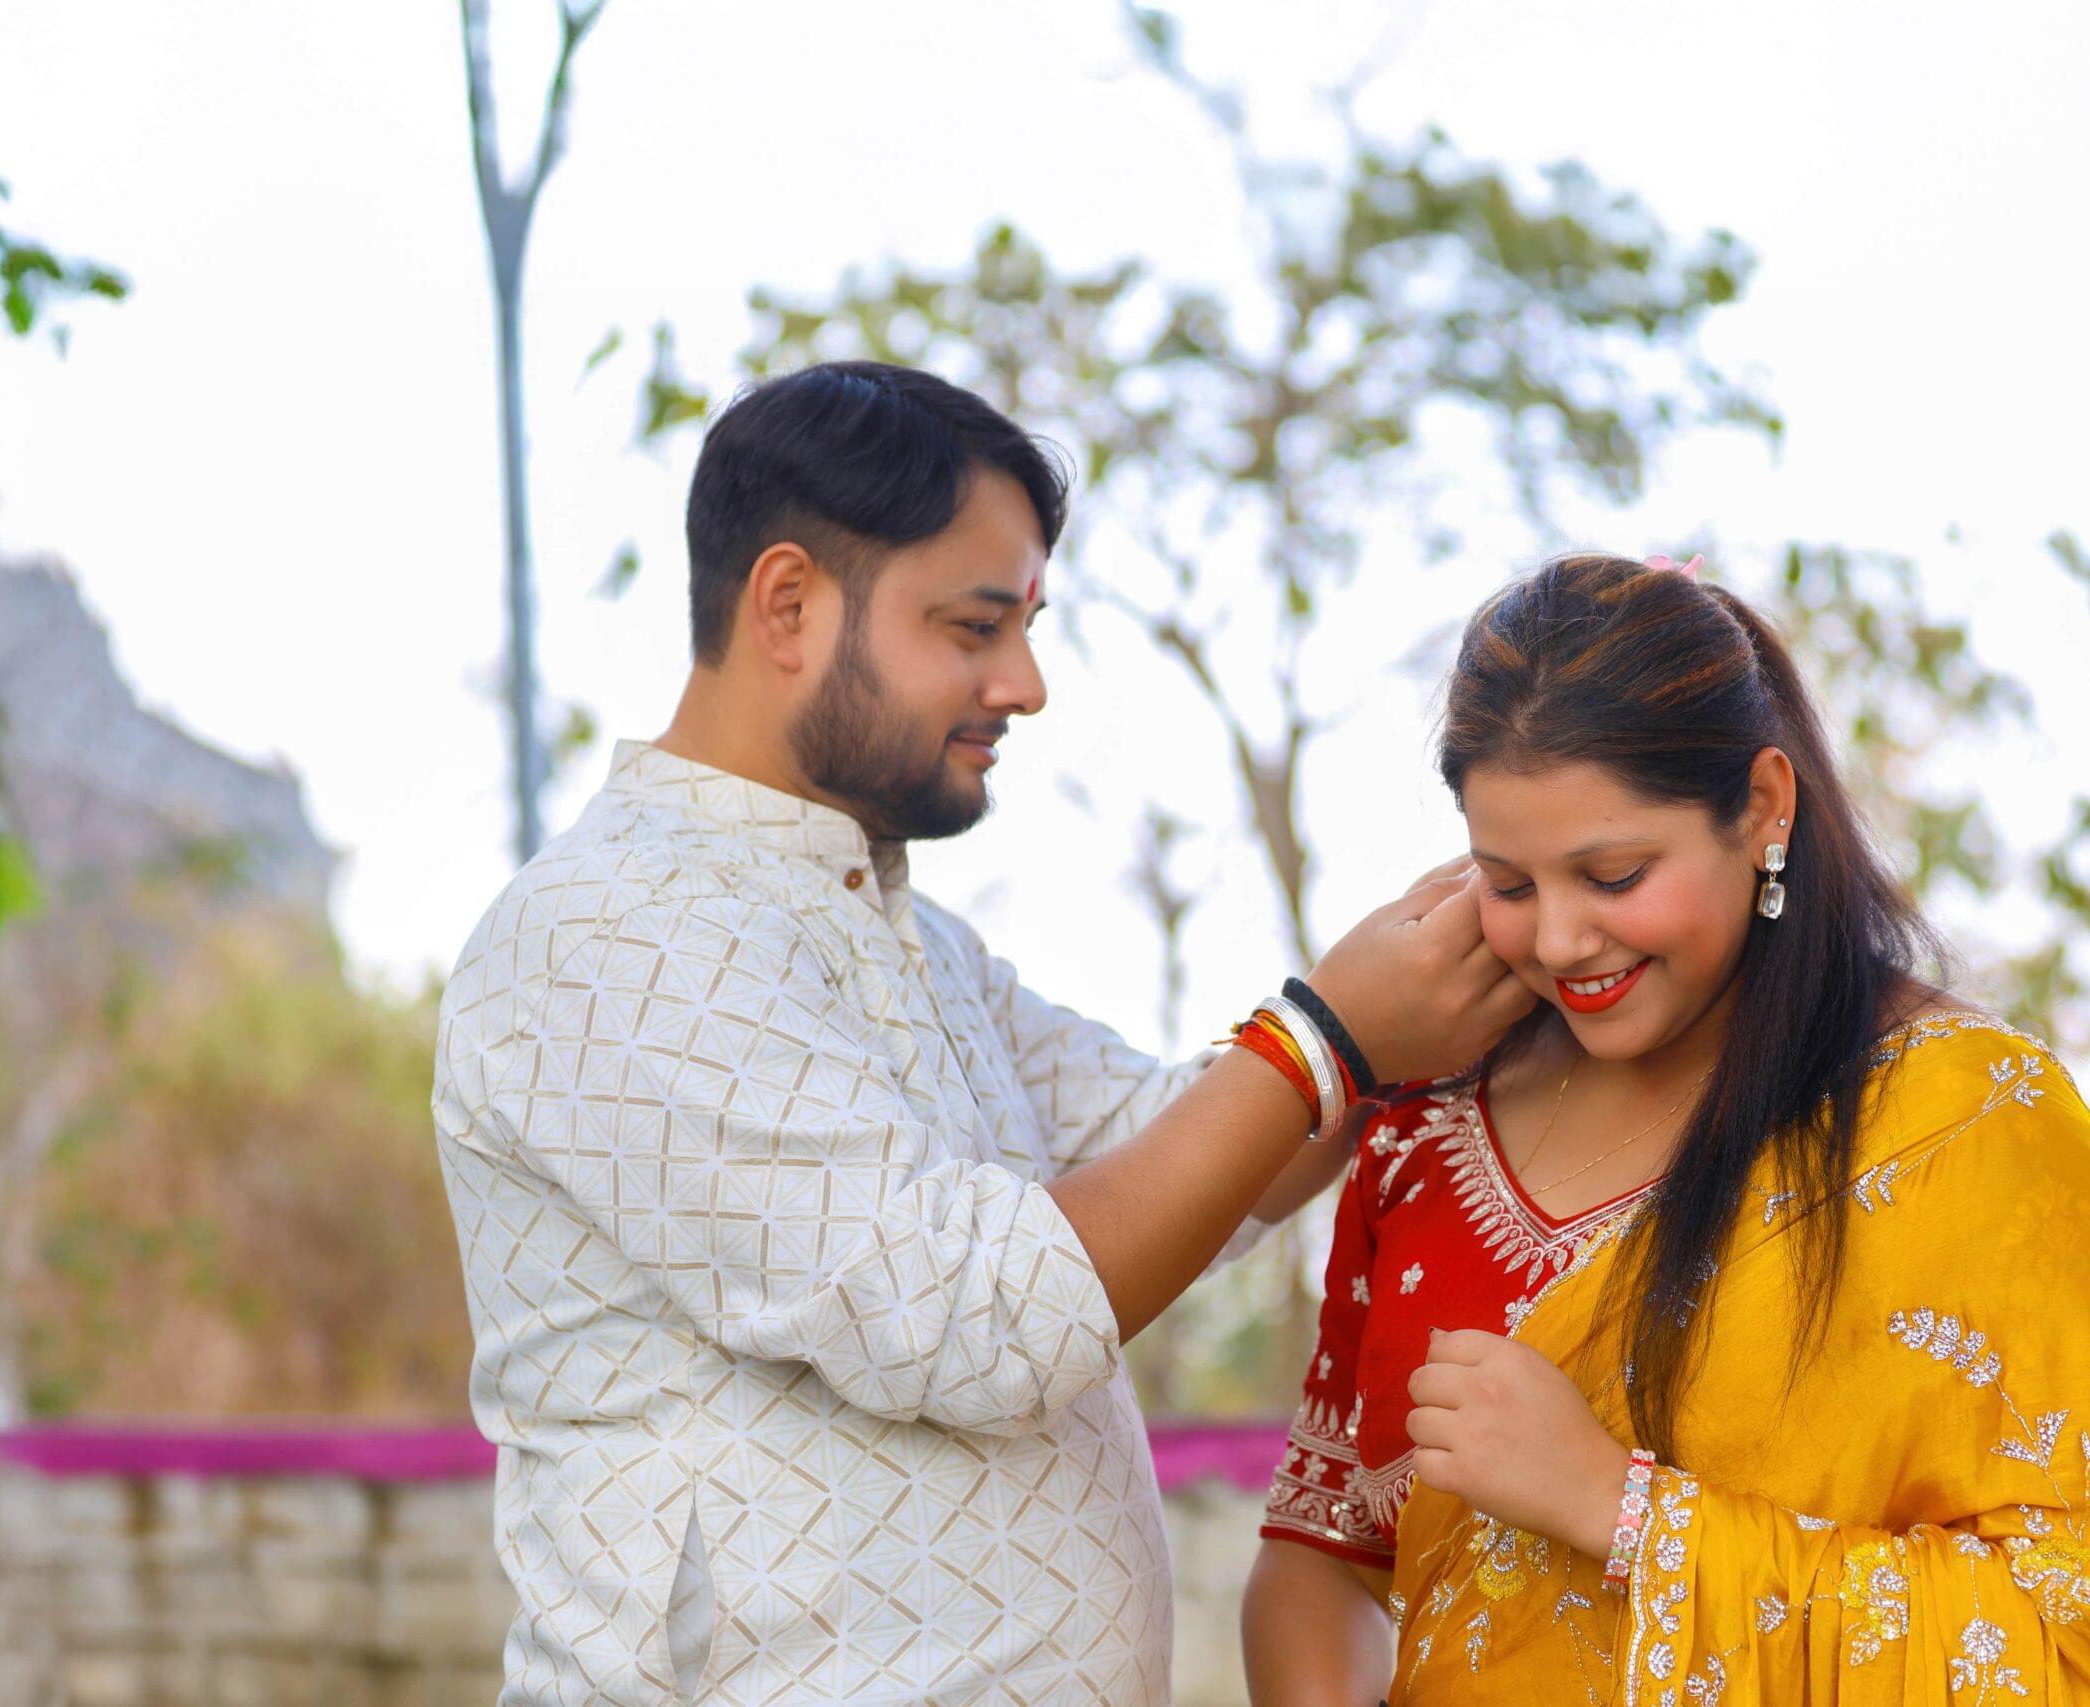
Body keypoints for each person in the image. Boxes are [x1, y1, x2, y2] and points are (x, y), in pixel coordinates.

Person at [431, 360, 1533, 1706]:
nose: (1024, 681)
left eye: (1027, 624)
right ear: (788, 603)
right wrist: (1329, 1035)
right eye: (974, 625)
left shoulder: (906, 932)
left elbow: (1184, 1147)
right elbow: (978, 1315)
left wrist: (1441, 977)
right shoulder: (610, 935)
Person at [1243, 554, 2090, 1704]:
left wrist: (1618, 1508)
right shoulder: (1425, 1122)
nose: (1558, 940)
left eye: (1613, 873)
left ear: (1761, 808)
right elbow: (1322, 1553)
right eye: (1507, 884)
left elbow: (2080, 1648)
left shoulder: (1966, 1128)